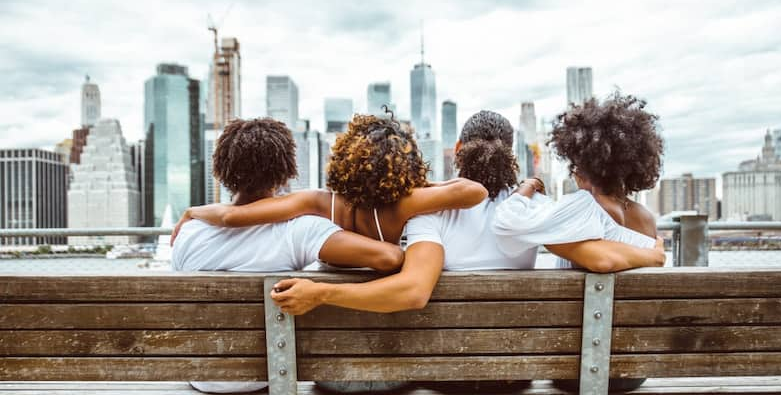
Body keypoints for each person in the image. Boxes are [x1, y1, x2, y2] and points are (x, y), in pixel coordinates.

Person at [270, 110, 665, 392]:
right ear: (512, 153)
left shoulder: (430, 211)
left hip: (446, 372)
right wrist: (651, 254)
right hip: (514, 373)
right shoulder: (530, 213)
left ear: (458, 148)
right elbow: (598, 256)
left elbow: (412, 290)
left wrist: (321, 291)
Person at [171, 117, 406, 394]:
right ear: (285, 172)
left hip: (202, 376)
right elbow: (389, 257)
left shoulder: (188, 232)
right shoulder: (300, 230)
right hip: (267, 374)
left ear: (221, 169)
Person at [492, 92, 664, 392]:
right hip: (634, 369)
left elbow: (506, 223)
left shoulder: (584, 205)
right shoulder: (647, 218)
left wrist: (527, 187)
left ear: (585, 165)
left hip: (580, 367)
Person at [171, 114, 488, 247]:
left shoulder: (318, 201)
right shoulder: (406, 203)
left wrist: (193, 211)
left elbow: (230, 216)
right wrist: (411, 183)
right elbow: (474, 191)